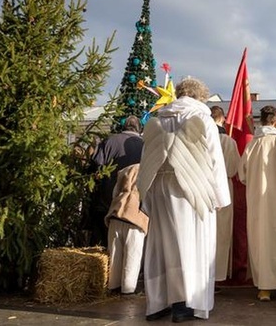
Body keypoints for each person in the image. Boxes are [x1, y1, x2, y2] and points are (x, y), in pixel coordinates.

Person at [137, 77, 231, 323]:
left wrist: (144, 195)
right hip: (191, 188)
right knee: (191, 245)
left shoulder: (160, 118)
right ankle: (186, 304)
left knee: (160, 244)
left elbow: (146, 155)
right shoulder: (202, 119)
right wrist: (220, 196)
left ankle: (157, 303)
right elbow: (214, 159)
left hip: (159, 186)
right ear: (200, 96)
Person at [239, 105, 276, 301]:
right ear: (275, 121)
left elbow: (242, 174)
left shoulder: (252, 145)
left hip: (256, 198)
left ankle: (263, 287)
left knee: (259, 239)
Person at [90, 115, 144, 245]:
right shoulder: (144, 144)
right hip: (135, 199)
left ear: (123, 126)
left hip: (109, 197)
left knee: (107, 238)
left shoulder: (109, 141)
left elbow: (97, 164)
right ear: (139, 128)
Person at [104, 163, 149, 295]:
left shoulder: (125, 169)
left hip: (116, 213)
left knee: (114, 254)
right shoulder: (148, 169)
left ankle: (113, 286)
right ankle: (128, 289)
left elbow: (115, 192)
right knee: (132, 255)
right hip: (135, 218)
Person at [210, 106, 241, 285]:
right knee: (221, 234)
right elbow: (235, 168)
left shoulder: (202, 139)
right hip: (223, 188)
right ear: (222, 119)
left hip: (204, 187)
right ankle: (218, 275)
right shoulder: (229, 142)